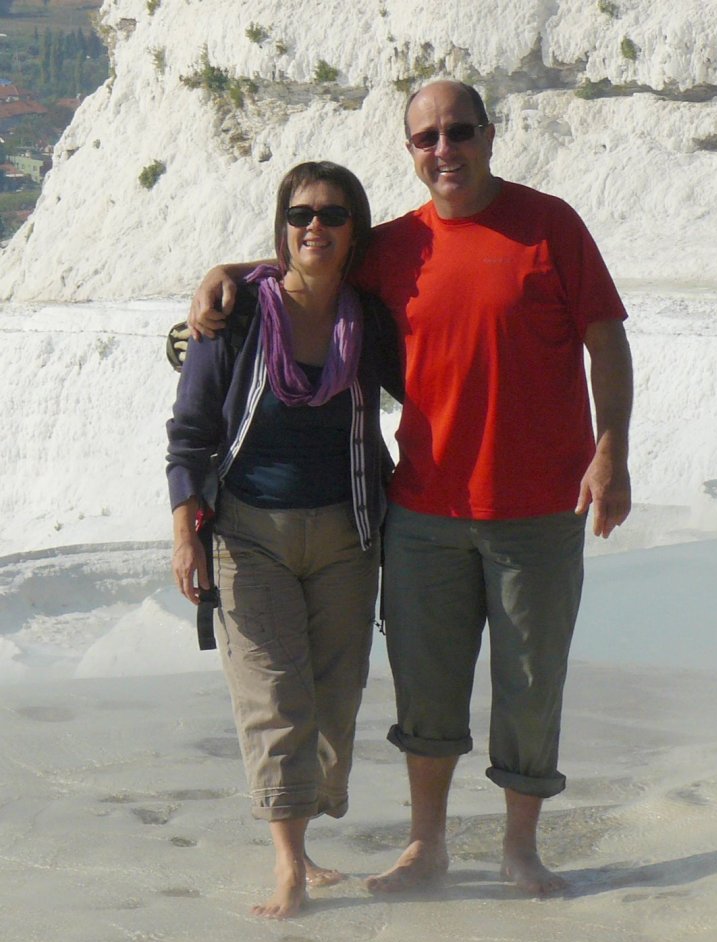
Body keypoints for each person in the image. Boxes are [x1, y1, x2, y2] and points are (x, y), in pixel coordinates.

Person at [187, 80, 633, 899]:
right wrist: (227, 272)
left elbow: (605, 339)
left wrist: (612, 449)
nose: (443, 149)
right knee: (426, 690)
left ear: (488, 135)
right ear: (410, 152)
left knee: (530, 686)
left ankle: (520, 849)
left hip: (539, 506)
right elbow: (307, 264)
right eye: (427, 137)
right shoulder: (395, 246)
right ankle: (426, 846)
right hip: (424, 509)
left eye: (458, 131)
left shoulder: (550, 225)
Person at [166, 161, 403, 919]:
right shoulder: (237, 315)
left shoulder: (369, 320)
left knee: (335, 699)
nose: (315, 227)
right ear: (282, 227)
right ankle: (289, 864)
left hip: (346, 533)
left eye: (332, 215)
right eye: (300, 215)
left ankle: (306, 825)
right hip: (248, 534)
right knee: (273, 697)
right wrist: (185, 532)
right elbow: (191, 432)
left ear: (355, 230)